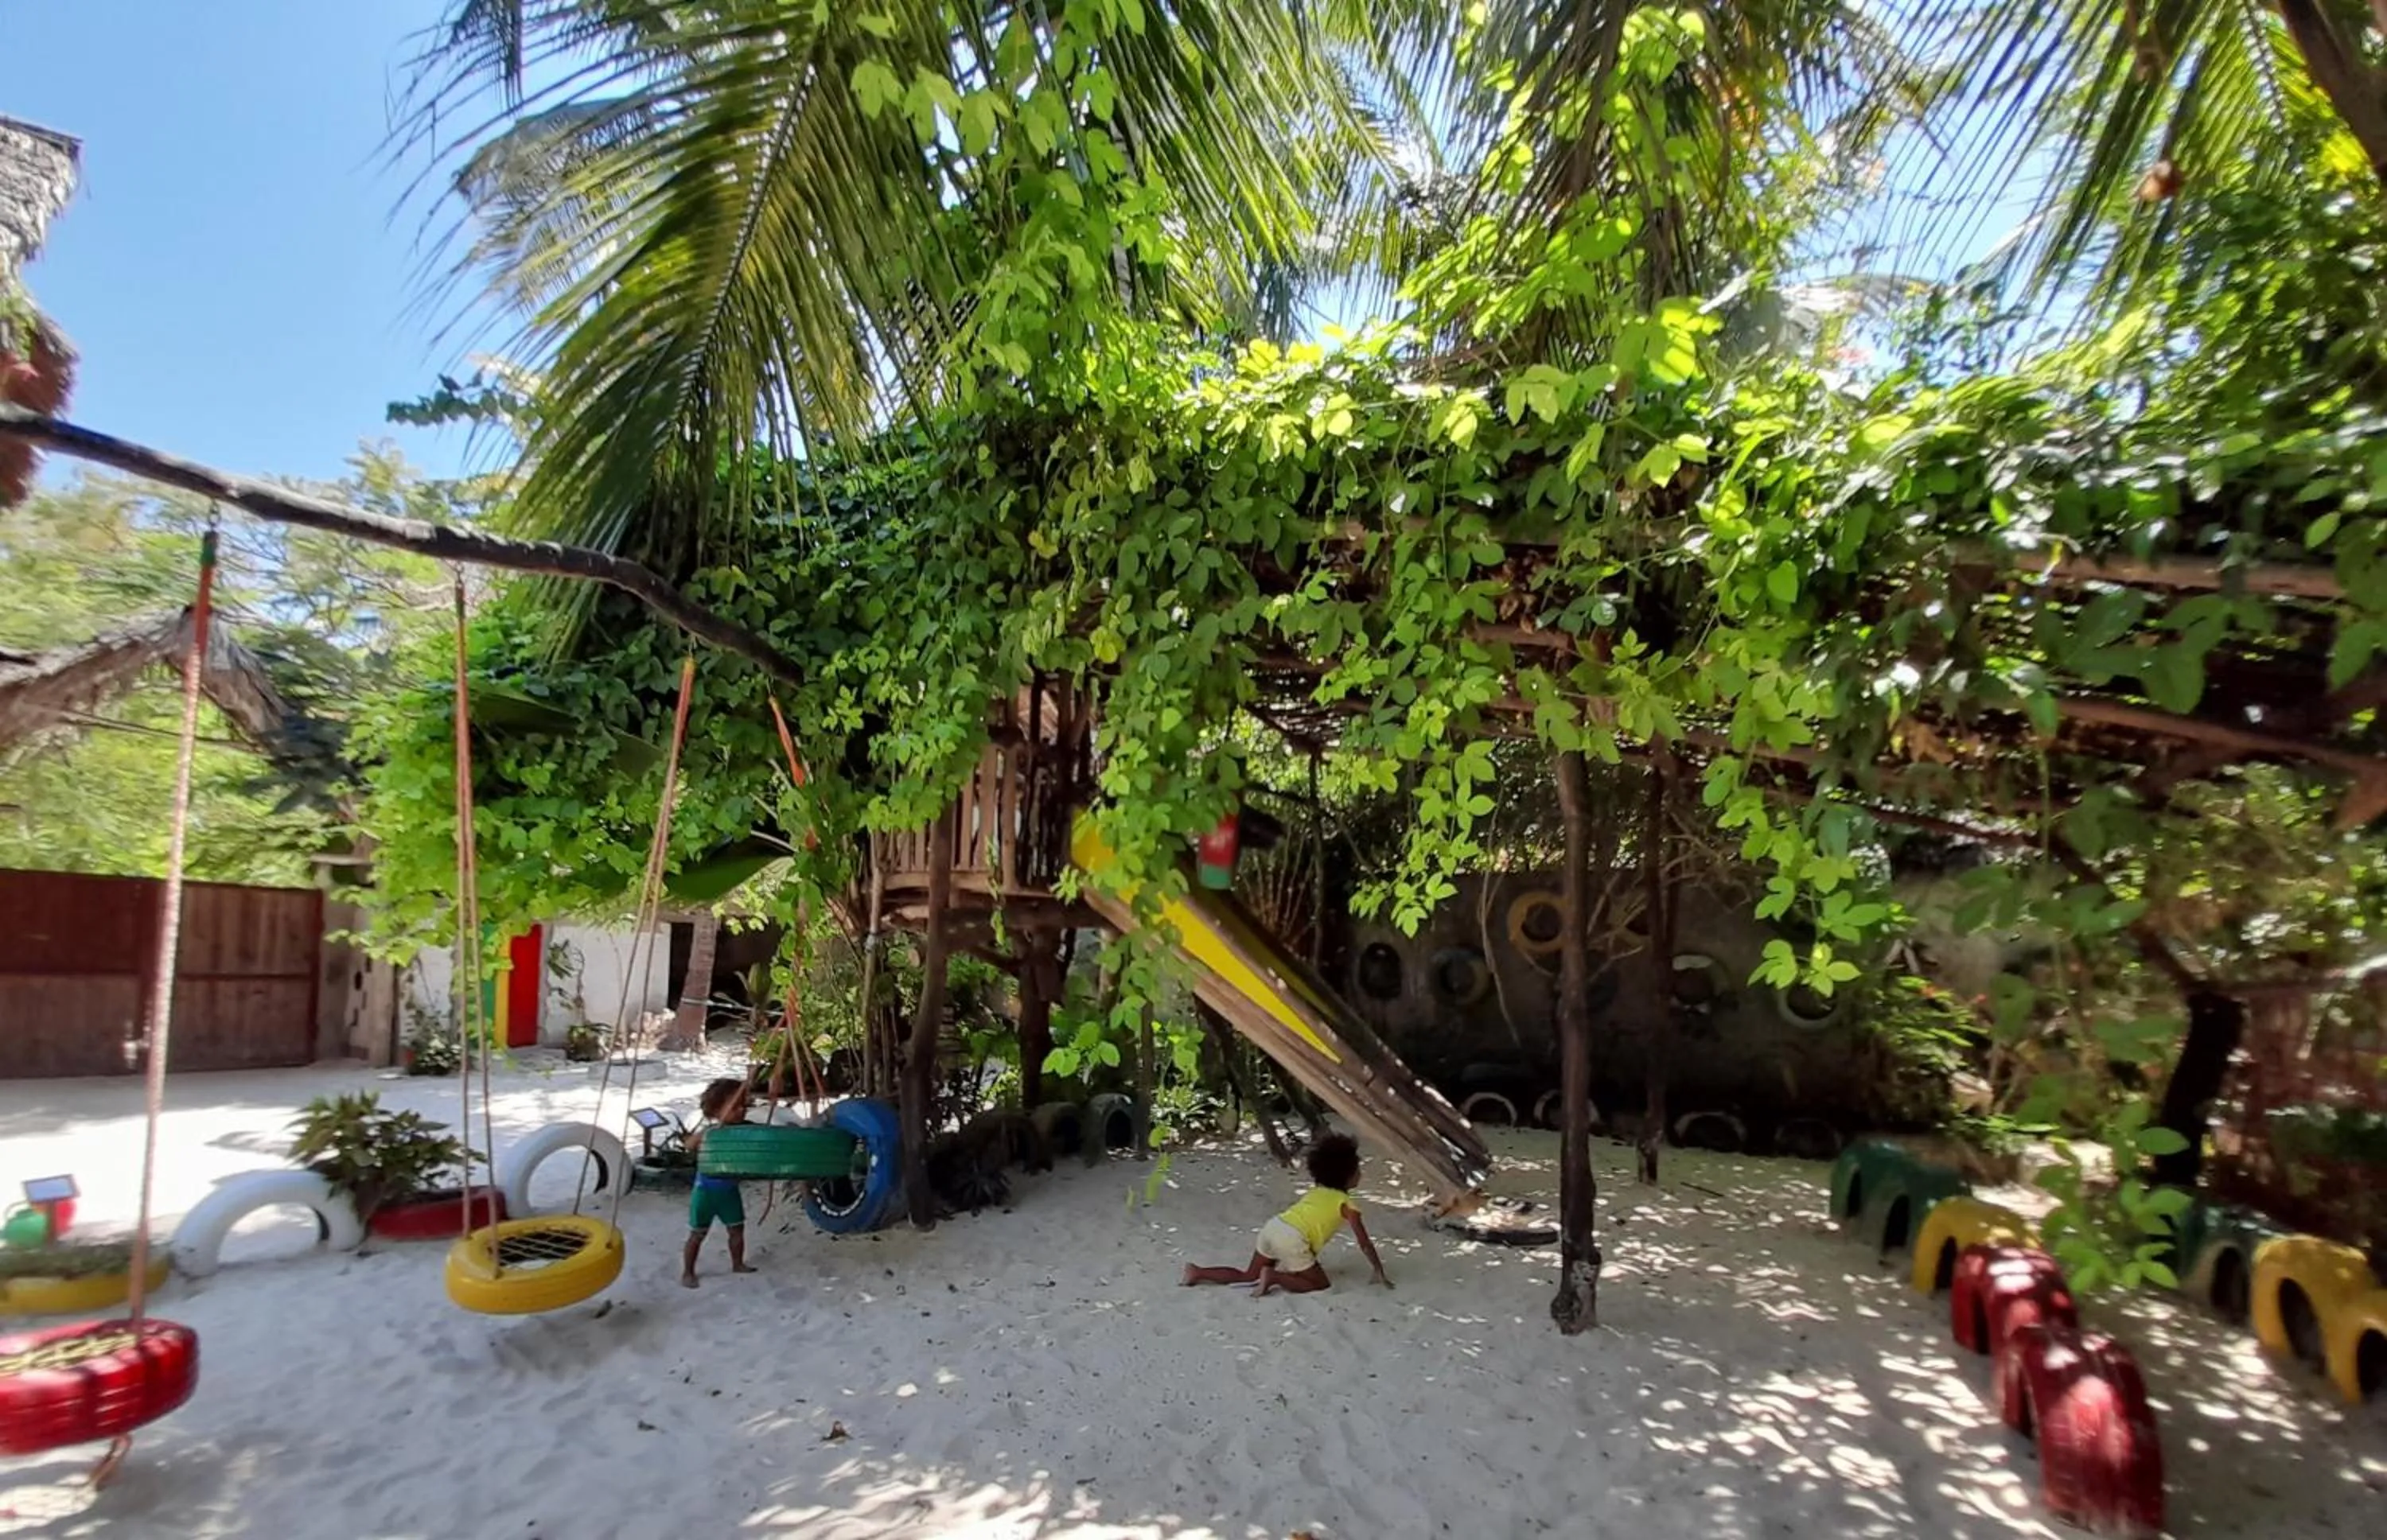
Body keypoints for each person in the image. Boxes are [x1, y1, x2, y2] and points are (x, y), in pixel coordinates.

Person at [1182, 1132, 1389, 1297]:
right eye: (1358, 1171)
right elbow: (1364, 1243)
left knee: (1248, 1275)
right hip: (1293, 1238)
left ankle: (1198, 1272)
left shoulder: (1316, 1192)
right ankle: (1274, 1278)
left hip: (1274, 1227)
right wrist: (1378, 1269)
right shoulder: (1347, 1204)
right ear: (1348, 1175)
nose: (1361, 1174)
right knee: (1319, 1283)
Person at [681, 1077, 759, 1289]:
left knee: (737, 1230)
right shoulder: (710, 1132)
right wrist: (701, 1139)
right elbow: (688, 1145)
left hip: (729, 1191)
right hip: (705, 1192)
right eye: (734, 1107)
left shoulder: (745, 1130)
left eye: (744, 1106)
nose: (741, 1110)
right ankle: (688, 1272)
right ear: (716, 1111)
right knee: (697, 1234)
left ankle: (738, 1263)